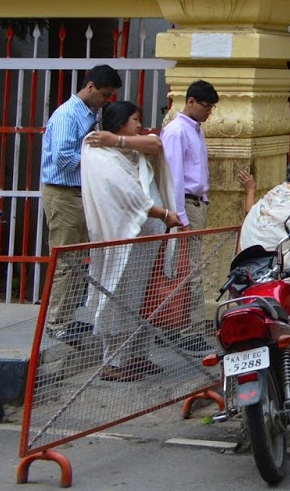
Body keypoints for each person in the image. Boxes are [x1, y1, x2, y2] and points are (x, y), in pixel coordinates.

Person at [79, 101, 176, 381]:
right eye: (135, 119)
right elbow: (128, 198)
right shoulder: (98, 151)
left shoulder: (127, 146)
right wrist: (163, 213)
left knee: (144, 300)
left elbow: (156, 144)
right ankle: (114, 362)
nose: (139, 125)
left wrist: (119, 140)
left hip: (146, 244)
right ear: (120, 121)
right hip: (124, 242)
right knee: (119, 298)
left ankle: (138, 356)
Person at [40, 63, 123, 339]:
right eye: (105, 95)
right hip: (64, 193)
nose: (106, 101)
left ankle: (67, 317)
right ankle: (57, 322)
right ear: (90, 87)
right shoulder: (68, 115)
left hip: (79, 192)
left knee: (77, 259)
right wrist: (96, 165)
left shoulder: (87, 114)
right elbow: (63, 158)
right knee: (66, 259)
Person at [239, 155, 290, 339]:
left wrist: (251, 190)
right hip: (287, 260)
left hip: (262, 262)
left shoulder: (275, 192)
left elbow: (251, 213)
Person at [160, 80, 219, 231]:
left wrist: (204, 201)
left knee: (193, 253)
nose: (209, 112)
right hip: (185, 205)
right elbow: (174, 177)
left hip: (198, 203)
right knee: (182, 253)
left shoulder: (197, 130)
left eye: (211, 108)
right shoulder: (176, 132)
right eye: (206, 107)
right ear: (191, 101)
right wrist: (181, 216)